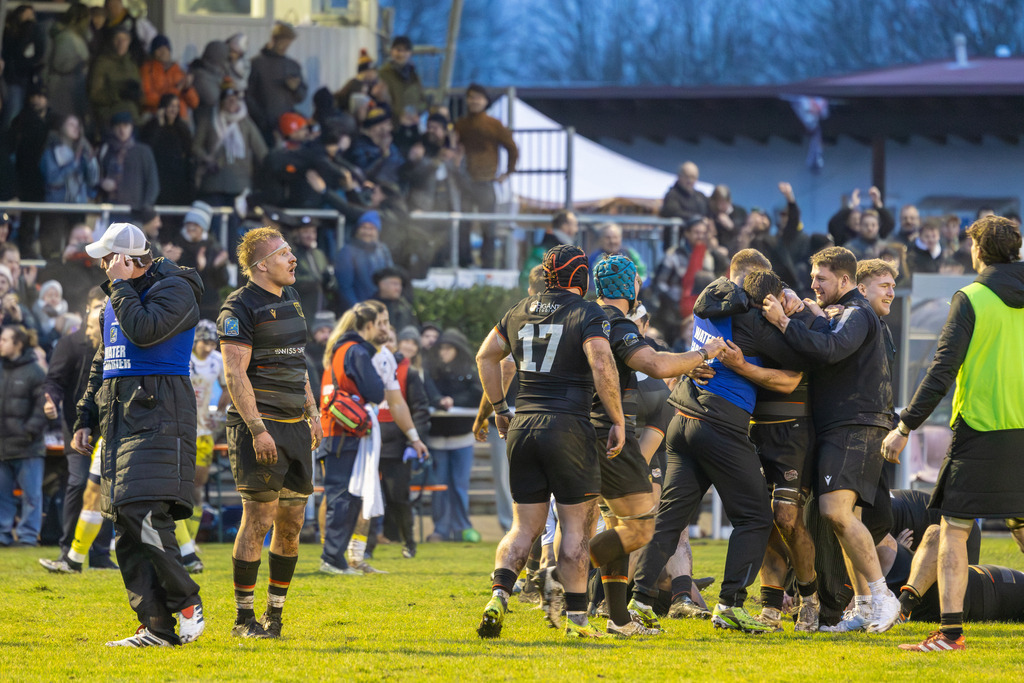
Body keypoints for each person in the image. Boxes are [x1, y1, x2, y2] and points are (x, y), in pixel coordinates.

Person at [629, 251, 805, 635]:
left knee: (670, 519)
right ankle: (730, 605)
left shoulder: (705, 302)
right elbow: (797, 360)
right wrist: (794, 308)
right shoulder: (753, 321)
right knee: (755, 517)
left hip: (682, 419)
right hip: (720, 425)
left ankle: (639, 602)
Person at [881, 215, 1024, 652]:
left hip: (981, 428)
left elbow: (942, 370)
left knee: (953, 528)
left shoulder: (972, 297)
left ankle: (950, 634)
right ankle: (927, 620)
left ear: (978, 250)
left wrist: (905, 425)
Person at [475, 245, 625, 639]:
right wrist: (617, 418)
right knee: (576, 528)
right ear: (581, 277)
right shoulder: (588, 312)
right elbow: (601, 361)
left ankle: (498, 595)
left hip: (523, 425)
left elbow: (486, 357)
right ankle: (576, 620)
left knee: (523, 527)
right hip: (568, 426)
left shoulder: (518, 310)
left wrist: (499, 408)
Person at [72, 222, 204, 647]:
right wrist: (85, 417)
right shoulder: (117, 297)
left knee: (144, 513)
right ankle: (156, 627)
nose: (103, 265)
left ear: (126, 259)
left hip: (159, 411)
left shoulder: (176, 289)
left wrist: (121, 286)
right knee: (125, 525)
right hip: (119, 417)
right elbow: (104, 361)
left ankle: (187, 602)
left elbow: (144, 331)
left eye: (108, 258)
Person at [762, 246, 901, 634]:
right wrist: (808, 311)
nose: (814, 285)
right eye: (812, 278)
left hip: (854, 424)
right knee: (846, 518)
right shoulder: (842, 313)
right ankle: (864, 607)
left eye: (821, 279)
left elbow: (830, 349)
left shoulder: (858, 313)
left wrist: (784, 322)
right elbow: (825, 335)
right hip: (844, 425)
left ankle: (883, 597)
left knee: (834, 511)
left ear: (844, 280)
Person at [588, 255, 727, 637]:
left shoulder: (581, 317)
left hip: (576, 431)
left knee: (612, 527)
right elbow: (656, 365)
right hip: (609, 435)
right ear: (629, 287)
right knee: (639, 530)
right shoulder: (615, 324)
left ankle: (617, 618)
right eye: (635, 283)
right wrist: (705, 352)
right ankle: (564, 573)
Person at [318, 301, 428, 574]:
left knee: (359, 493)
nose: (386, 329)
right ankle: (332, 556)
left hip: (352, 430)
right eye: (381, 323)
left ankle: (349, 557)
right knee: (342, 495)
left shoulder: (350, 349)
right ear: (368, 325)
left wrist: (413, 437)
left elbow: (396, 401)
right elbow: (377, 393)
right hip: (346, 429)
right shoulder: (356, 350)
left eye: (387, 323)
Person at [38, 287, 117, 572]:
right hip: (76, 425)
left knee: (106, 487)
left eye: (107, 305)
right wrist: (51, 401)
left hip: (108, 426)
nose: (103, 310)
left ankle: (99, 553)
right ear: (87, 309)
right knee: (78, 482)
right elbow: (54, 381)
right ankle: (68, 549)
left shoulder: (117, 339)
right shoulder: (70, 344)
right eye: (98, 305)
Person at [423, 328, 483, 543]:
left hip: (462, 439)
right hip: (437, 439)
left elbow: (478, 394)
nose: (443, 352)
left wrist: (453, 401)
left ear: (457, 349)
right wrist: (439, 401)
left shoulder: (470, 370)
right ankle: (440, 530)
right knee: (439, 488)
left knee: (459, 486)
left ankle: (462, 528)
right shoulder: (430, 370)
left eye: (448, 348)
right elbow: (427, 393)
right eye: (441, 348)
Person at [453, 83, 518, 268]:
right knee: (463, 224)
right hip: (465, 180)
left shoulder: (493, 124)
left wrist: (508, 172)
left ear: (485, 101)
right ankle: (464, 261)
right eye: (471, 97)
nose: (474, 101)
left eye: (478, 98)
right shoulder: (461, 124)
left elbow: (512, 148)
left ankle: (488, 263)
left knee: (488, 226)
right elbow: (453, 147)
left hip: (486, 181)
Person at [0, 324, 48, 546]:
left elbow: (43, 408)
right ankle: (3, 534)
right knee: (3, 495)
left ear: (18, 344)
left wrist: (29, 432)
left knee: (31, 496)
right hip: (3, 445)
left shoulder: (35, 371)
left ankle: (28, 537)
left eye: (5, 340)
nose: (0, 344)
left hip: (28, 446)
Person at [194, 83, 267, 207]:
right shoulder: (209, 120)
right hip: (214, 182)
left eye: (234, 100)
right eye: (228, 100)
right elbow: (196, 147)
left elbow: (261, 150)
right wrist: (206, 158)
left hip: (240, 182)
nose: (232, 103)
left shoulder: (246, 123)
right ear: (221, 102)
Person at [246, 22, 307, 146]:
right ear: (274, 39)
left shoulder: (292, 66)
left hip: (288, 127)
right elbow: (247, 96)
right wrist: (261, 119)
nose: (285, 46)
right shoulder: (256, 64)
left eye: (288, 44)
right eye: (283, 42)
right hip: (263, 127)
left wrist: (295, 89)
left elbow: (301, 97)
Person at [139, 94, 196, 206]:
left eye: (177, 106)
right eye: (171, 106)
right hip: (158, 175)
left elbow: (189, 152)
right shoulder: (151, 126)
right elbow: (149, 146)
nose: (174, 110)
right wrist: (159, 124)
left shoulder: (182, 128)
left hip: (178, 179)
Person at [97, 111, 160, 208]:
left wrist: (145, 206)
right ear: (113, 129)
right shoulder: (106, 150)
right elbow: (96, 177)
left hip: (135, 209)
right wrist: (102, 183)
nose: (122, 130)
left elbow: (153, 183)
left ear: (131, 127)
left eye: (125, 126)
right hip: (110, 207)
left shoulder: (143, 151)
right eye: (118, 126)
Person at [335, 211, 395, 310]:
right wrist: (358, 309)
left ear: (377, 231)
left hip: (381, 308)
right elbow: (345, 287)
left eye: (371, 228)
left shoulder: (383, 250)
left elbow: (391, 278)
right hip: (359, 308)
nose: (367, 232)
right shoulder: (347, 251)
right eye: (363, 227)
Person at [88, 26, 142, 129]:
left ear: (129, 42)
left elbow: (140, 90)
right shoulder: (102, 63)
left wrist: (138, 95)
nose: (121, 43)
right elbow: (94, 94)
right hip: (109, 110)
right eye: (117, 39)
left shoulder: (132, 64)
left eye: (124, 40)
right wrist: (118, 94)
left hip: (131, 111)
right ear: (112, 41)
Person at [141, 35, 198, 119]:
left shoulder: (179, 71)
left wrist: (187, 89)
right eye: (159, 49)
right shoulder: (147, 70)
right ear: (153, 52)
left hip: (179, 118)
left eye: (166, 48)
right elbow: (146, 98)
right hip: (156, 116)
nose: (163, 52)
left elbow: (194, 103)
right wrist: (176, 90)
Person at [659, 161, 708, 250]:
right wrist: (697, 219)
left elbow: (709, 212)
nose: (690, 180)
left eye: (693, 177)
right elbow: (673, 212)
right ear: (679, 176)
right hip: (676, 247)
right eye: (687, 176)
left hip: (699, 248)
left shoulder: (700, 196)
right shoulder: (672, 195)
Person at [377, 36, 425, 122]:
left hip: (412, 122)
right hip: (392, 123)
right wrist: (399, 115)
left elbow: (422, 99)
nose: (401, 54)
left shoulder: (413, 74)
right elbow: (382, 101)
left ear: (410, 53)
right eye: (398, 50)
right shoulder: (383, 74)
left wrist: (417, 112)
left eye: (405, 51)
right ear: (392, 51)